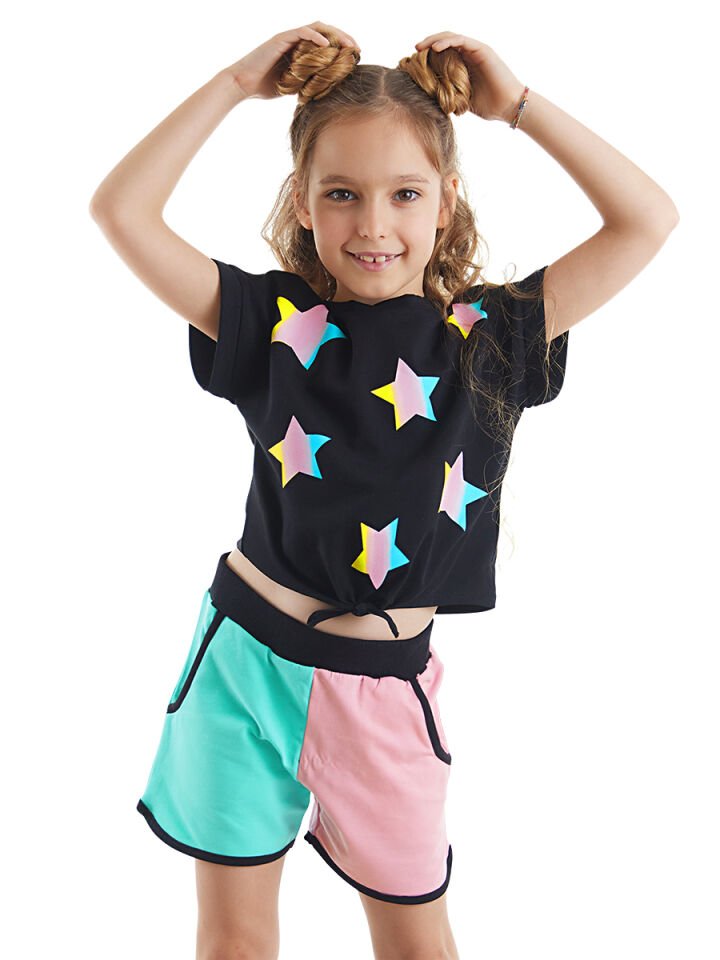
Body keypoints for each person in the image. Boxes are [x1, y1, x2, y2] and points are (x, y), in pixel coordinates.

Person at [89, 20, 679, 960]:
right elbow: (121, 210)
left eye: (405, 193)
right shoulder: (272, 323)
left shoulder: (490, 338)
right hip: (241, 660)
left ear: (446, 201)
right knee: (233, 943)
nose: (372, 224)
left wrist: (518, 107)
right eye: (342, 193)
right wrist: (237, 82)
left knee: (416, 946)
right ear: (302, 201)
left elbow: (648, 218)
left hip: (380, 689)